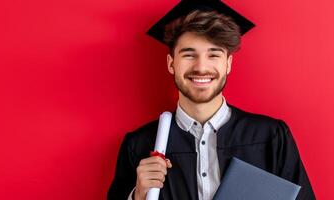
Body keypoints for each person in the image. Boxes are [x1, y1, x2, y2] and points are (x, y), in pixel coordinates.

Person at [108, 1, 316, 200]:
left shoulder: (270, 137)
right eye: (189, 55)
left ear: (228, 64)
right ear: (171, 63)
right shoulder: (140, 146)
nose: (201, 67)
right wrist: (137, 196)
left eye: (213, 55)